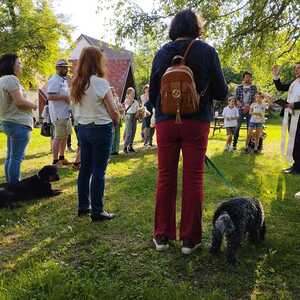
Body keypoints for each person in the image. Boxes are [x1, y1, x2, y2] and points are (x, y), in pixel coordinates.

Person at [149, 9, 228, 254]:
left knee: (165, 177)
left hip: (165, 121)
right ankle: (190, 239)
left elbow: (152, 93)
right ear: (197, 27)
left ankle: (162, 236)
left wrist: (164, 110)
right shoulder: (207, 51)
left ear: (174, 28)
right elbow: (222, 92)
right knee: (194, 178)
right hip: (197, 120)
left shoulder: (162, 52)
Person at [71, 46, 120, 222]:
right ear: (97, 61)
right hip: (100, 127)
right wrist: (117, 120)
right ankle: (97, 211)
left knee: (85, 169)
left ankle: (83, 206)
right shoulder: (100, 82)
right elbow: (113, 110)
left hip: (83, 128)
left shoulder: (77, 82)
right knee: (99, 170)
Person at [0, 53, 37, 183]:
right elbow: (19, 101)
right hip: (18, 123)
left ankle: (10, 187)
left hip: (8, 121)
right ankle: (15, 189)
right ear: (11, 65)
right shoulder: (11, 79)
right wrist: (33, 105)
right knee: (16, 158)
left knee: (11, 157)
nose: (21, 66)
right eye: (19, 63)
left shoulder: (2, 80)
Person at [272, 63, 300, 174]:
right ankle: (295, 165)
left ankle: (298, 167)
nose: (296, 70)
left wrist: (295, 105)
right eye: (295, 68)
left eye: (299, 68)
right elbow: (280, 87)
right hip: (291, 114)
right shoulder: (294, 83)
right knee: (293, 140)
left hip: (299, 115)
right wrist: (276, 75)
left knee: (298, 141)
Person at [47, 59, 72, 166]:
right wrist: (64, 97)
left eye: (67, 67)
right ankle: (55, 161)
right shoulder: (54, 80)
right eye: (64, 67)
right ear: (58, 68)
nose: (66, 69)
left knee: (65, 135)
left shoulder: (63, 80)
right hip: (58, 114)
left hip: (65, 113)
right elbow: (50, 96)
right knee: (58, 137)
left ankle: (62, 158)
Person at [233, 72, 257, 149]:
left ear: (251, 78)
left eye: (249, 77)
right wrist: (243, 107)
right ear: (243, 78)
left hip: (250, 110)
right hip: (240, 110)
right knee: (237, 127)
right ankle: (234, 144)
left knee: (249, 128)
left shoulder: (254, 87)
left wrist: (249, 107)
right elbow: (236, 99)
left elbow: (255, 99)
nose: (248, 78)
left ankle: (248, 145)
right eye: (246, 77)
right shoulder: (239, 87)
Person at [123, 87, 139, 153]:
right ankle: (125, 147)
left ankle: (130, 146)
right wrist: (129, 98)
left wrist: (137, 113)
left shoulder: (136, 101)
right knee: (128, 132)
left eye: (134, 93)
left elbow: (137, 108)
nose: (133, 94)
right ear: (128, 94)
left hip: (134, 117)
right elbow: (127, 105)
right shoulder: (126, 100)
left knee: (133, 132)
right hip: (129, 116)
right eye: (132, 93)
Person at [111, 87, 124, 155]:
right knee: (113, 134)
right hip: (113, 118)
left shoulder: (117, 99)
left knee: (117, 134)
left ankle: (116, 149)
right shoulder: (109, 99)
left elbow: (120, 107)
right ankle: (112, 150)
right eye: (112, 91)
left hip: (118, 118)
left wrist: (121, 108)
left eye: (114, 91)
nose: (113, 92)